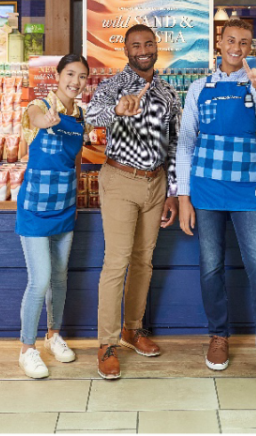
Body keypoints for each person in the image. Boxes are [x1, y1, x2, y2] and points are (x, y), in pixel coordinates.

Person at [176, 18, 256, 393]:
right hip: (206, 189)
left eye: (244, 42)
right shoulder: (198, 88)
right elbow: (185, 143)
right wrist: (183, 197)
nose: (237, 48)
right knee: (211, 268)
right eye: (231, 40)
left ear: (250, 47)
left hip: (247, 188)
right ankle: (218, 335)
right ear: (219, 43)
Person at [84, 24, 181, 381]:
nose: (142, 50)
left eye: (148, 43)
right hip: (120, 179)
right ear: (126, 50)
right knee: (117, 262)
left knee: (144, 261)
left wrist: (171, 190)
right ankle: (107, 344)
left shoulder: (169, 91)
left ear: (157, 46)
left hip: (155, 184)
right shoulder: (113, 85)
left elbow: (173, 144)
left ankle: (132, 329)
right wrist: (117, 113)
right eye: (135, 45)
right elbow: (90, 117)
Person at [14, 54, 90, 379]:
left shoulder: (81, 115)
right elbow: (31, 116)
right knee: (40, 279)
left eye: (82, 76)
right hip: (34, 209)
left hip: (64, 207)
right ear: (58, 76)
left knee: (60, 277)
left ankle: (53, 335)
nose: (76, 81)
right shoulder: (38, 106)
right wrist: (42, 121)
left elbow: (74, 162)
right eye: (70, 74)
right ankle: (26, 349)